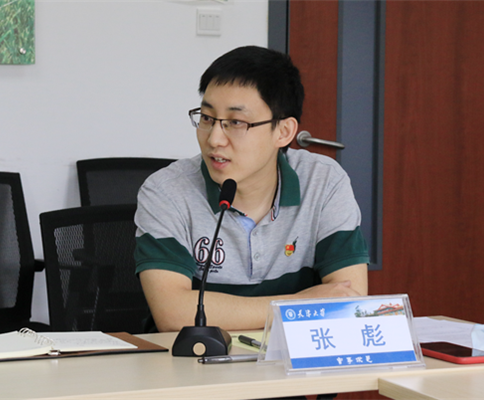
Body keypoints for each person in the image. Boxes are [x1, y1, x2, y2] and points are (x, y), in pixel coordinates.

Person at [134, 45, 369, 333]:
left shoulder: (324, 182)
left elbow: (349, 300)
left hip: (292, 357)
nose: (214, 139)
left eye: (235, 122)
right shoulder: (166, 192)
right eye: (207, 118)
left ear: (283, 132)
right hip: (196, 357)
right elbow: (173, 314)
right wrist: (297, 305)